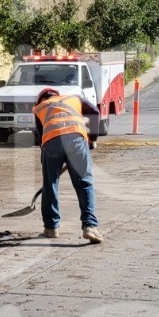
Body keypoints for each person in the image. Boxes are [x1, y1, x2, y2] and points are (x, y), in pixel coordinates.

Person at [32, 88, 103, 243]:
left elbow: (41, 138)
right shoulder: (75, 99)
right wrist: (93, 138)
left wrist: (50, 165)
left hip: (51, 143)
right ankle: (90, 226)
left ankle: (51, 228)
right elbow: (95, 111)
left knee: (50, 184)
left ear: (40, 100)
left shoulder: (39, 109)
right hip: (77, 138)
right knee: (84, 183)